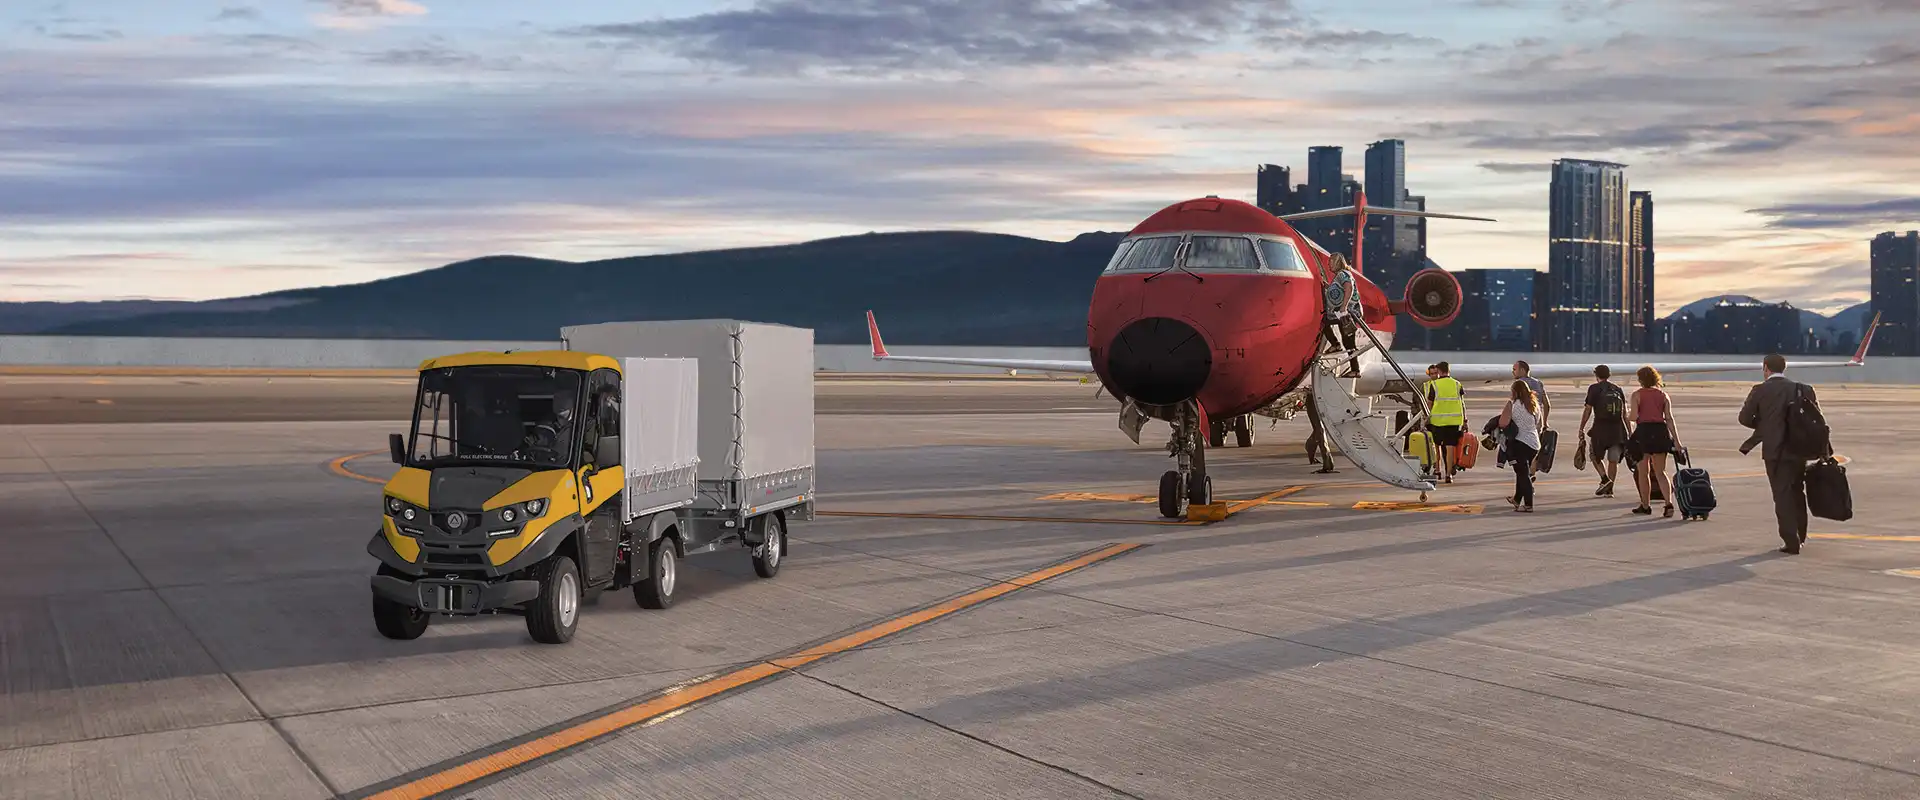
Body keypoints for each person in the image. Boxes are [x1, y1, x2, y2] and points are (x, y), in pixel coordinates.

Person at [1738, 353, 1817, 554]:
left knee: (1782, 496)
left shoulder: (1760, 390)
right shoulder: (1802, 389)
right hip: (1799, 450)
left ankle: (1791, 540)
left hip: (1775, 451)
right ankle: (1801, 535)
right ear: (1784, 368)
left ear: (1766, 368)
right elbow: (1815, 419)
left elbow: (1745, 418)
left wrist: (1766, 425)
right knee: (1797, 493)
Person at [1627, 366, 1682, 517]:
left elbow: (1633, 417)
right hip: (1660, 432)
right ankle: (1668, 503)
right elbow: (1669, 418)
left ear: (1640, 380)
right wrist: (1676, 441)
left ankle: (1645, 505)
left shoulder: (1637, 395)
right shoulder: (1663, 395)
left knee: (1643, 472)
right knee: (1661, 472)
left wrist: (1626, 414)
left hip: (1644, 432)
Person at [1578, 365, 1629, 497]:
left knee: (1594, 456)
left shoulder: (1594, 388)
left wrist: (1582, 427)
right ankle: (1610, 489)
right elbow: (1624, 414)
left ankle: (1605, 479)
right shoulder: (1617, 389)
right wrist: (1629, 431)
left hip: (1600, 429)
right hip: (1617, 429)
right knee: (1613, 460)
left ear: (1596, 375)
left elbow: (1588, 409)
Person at [1499, 379, 1543, 512]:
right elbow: (1538, 424)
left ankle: (1528, 504)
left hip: (1520, 442)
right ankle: (1517, 499)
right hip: (1534, 443)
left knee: (1523, 474)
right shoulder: (1534, 404)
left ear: (1514, 391)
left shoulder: (1512, 404)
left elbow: (1502, 423)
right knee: (1521, 471)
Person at [1425, 362, 1466, 484]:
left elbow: (1429, 403)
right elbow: (1462, 404)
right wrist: (1465, 420)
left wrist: (1427, 417)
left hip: (1437, 421)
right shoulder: (1457, 384)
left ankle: (1437, 470)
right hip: (1453, 421)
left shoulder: (1435, 385)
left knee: (1436, 446)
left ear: (1439, 371)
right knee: (1450, 448)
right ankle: (1448, 475)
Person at [1512, 361, 1550, 479]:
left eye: (1515, 369)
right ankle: (1531, 473)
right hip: (1537, 420)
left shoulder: (1518, 384)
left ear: (1522, 370)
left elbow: (1513, 403)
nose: (1513, 372)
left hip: (1522, 422)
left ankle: (1526, 476)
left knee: (1521, 450)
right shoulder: (1538, 383)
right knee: (1534, 448)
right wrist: (1545, 421)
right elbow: (1547, 404)